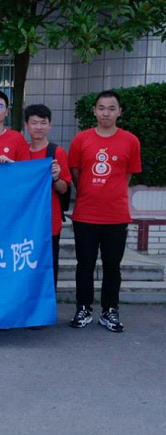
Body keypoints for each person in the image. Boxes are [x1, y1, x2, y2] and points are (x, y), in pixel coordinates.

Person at [68, 91, 141, 332]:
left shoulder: (130, 141)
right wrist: (90, 191)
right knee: (85, 264)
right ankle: (83, 308)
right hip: (85, 214)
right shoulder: (81, 139)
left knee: (112, 266)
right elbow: (76, 172)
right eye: (101, 108)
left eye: (111, 108)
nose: (106, 113)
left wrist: (111, 193)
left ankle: (110, 310)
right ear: (94, 111)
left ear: (120, 111)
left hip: (116, 216)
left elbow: (126, 175)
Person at [24, 104, 72, 287]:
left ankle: (48, 302)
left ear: (50, 125)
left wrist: (56, 177)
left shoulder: (56, 152)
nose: (38, 127)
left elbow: (64, 188)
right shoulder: (22, 152)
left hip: (49, 220)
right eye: (34, 123)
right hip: (26, 221)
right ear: (26, 125)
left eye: (43, 123)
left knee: (49, 266)